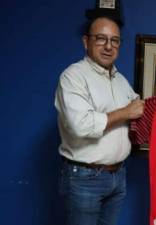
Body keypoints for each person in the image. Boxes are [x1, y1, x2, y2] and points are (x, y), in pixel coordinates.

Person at [55, 15, 144, 225]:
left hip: (118, 177)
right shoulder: (73, 76)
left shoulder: (120, 80)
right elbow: (82, 125)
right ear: (86, 42)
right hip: (85, 178)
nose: (108, 46)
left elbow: (138, 108)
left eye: (114, 40)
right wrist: (125, 112)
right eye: (101, 39)